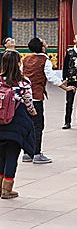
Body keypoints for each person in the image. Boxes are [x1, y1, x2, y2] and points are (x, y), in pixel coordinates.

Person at [22, 37, 75, 164]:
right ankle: (37, 153)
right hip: (36, 97)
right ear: (42, 47)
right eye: (43, 41)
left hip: (25, 97)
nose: (46, 42)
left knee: (27, 125)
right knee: (38, 125)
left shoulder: (26, 59)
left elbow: (21, 75)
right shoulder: (44, 60)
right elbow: (51, 77)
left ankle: (27, 153)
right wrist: (65, 87)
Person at [0, 51, 36, 199]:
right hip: (16, 123)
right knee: (12, 156)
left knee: (0, 156)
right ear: (18, 64)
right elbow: (28, 103)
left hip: (0, 122)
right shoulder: (23, 82)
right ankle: (7, 189)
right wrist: (33, 113)